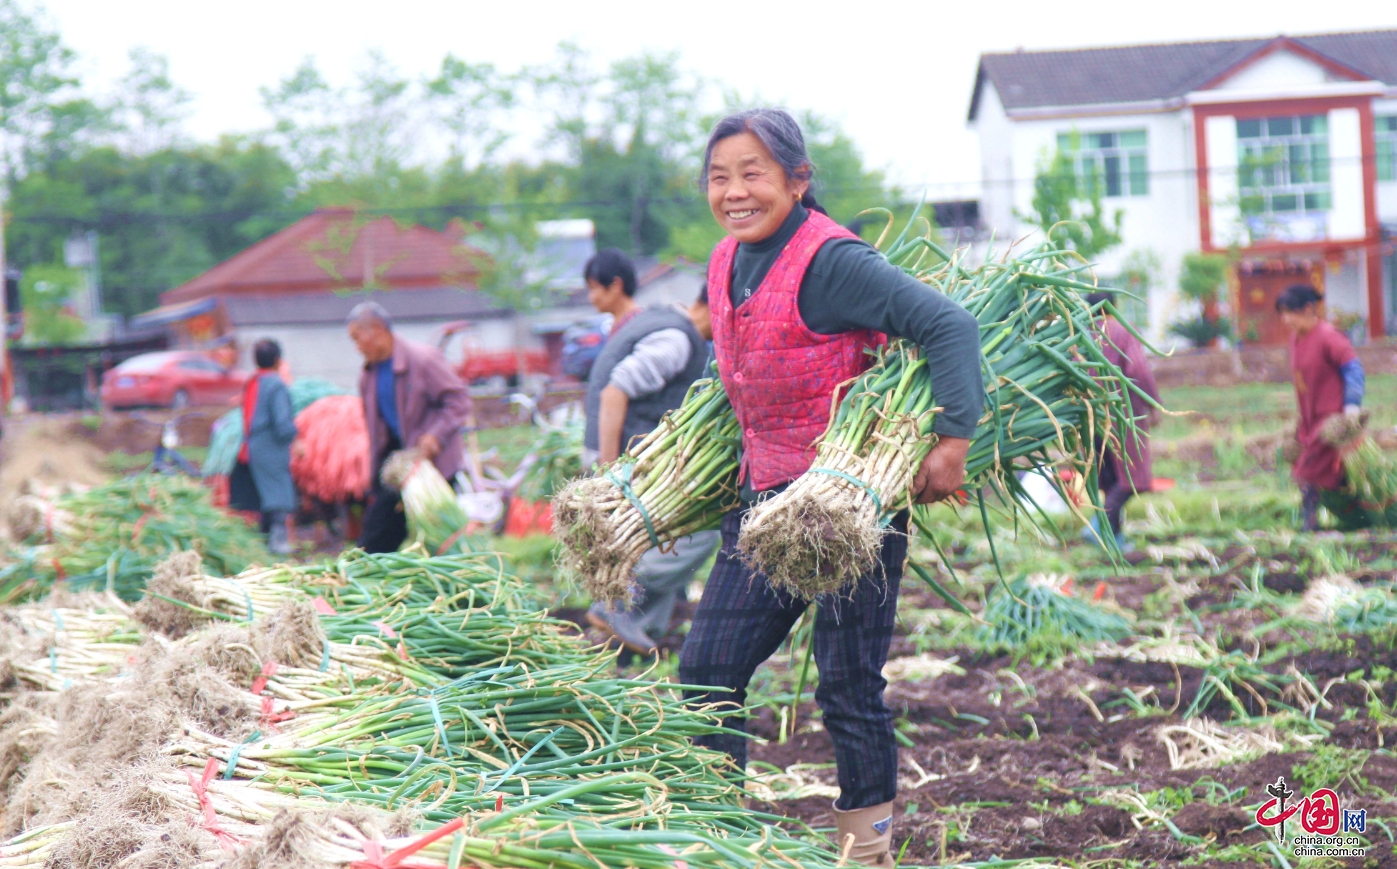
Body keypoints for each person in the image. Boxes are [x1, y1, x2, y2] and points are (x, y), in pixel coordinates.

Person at [676, 108, 983, 867]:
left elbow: (948, 325)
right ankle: (717, 839)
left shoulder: (831, 261)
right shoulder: (724, 260)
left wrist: (952, 440)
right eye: (720, 176)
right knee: (706, 668)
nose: (735, 191)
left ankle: (867, 851)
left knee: (846, 687)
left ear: (797, 180)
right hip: (761, 504)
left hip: (849, 510)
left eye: (753, 173)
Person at [580, 249, 720, 654]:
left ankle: (635, 637)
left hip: (629, 454)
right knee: (696, 532)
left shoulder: (661, 322)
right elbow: (614, 391)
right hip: (621, 457)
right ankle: (618, 600)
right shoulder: (677, 338)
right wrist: (609, 475)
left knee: (664, 538)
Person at [348, 302, 471, 553]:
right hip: (398, 465)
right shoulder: (368, 374)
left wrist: (434, 436)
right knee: (377, 536)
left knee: (441, 537)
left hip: (430, 467)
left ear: (378, 330)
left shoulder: (423, 360)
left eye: (357, 338)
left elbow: (458, 401)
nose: (357, 347)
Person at [1277, 284, 1366, 531]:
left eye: (1290, 313)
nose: (1286, 320)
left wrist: (1351, 407)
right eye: (1283, 314)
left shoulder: (1329, 336)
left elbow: (1354, 369)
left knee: (1307, 472)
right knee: (1330, 476)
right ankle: (1359, 516)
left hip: (1331, 423)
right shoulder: (1296, 339)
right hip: (1309, 420)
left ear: (1308, 309)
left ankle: (1310, 525)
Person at [1083, 290, 1160, 553]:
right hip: (1121, 416)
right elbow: (1138, 369)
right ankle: (1099, 526)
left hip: (1088, 417)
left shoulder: (1079, 335)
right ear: (1112, 306)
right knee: (1132, 480)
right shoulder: (1121, 330)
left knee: (1109, 480)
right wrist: (1152, 404)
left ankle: (1113, 538)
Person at [228, 339, 298, 555]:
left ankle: (263, 543)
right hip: (271, 445)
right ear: (278, 361)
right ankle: (278, 543)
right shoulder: (276, 384)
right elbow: (282, 422)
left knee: (263, 493)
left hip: (252, 444)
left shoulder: (252, 381)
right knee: (278, 491)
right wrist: (295, 435)